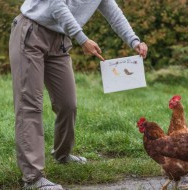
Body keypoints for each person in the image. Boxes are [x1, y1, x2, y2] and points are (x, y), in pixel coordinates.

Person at [9, 0, 148, 189]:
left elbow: (113, 13)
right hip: (31, 32)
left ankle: (62, 154)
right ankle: (32, 178)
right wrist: (82, 39)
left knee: (68, 103)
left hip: (60, 41)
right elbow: (56, 5)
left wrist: (134, 40)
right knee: (30, 106)